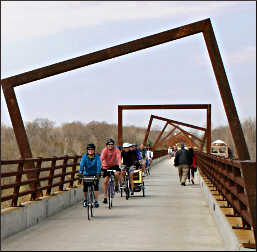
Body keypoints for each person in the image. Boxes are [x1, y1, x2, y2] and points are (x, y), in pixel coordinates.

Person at [79, 143, 101, 208]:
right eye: (89, 149)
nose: (90, 151)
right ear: (87, 150)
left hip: (95, 173)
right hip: (87, 174)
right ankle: (85, 200)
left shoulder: (97, 156)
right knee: (85, 186)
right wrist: (80, 172)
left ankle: (96, 201)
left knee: (96, 185)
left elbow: (98, 165)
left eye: (92, 149)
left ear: (94, 150)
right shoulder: (84, 156)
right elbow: (82, 164)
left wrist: (98, 173)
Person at [100, 138, 122, 204]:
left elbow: (119, 158)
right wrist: (99, 165)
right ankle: (105, 197)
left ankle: (116, 185)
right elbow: (101, 158)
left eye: (112, 144)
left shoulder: (116, 150)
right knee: (105, 181)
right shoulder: (104, 150)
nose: (110, 145)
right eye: (109, 144)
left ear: (113, 145)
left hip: (114, 165)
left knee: (116, 174)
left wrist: (120, 164)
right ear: (107, 145)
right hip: (106, 166)